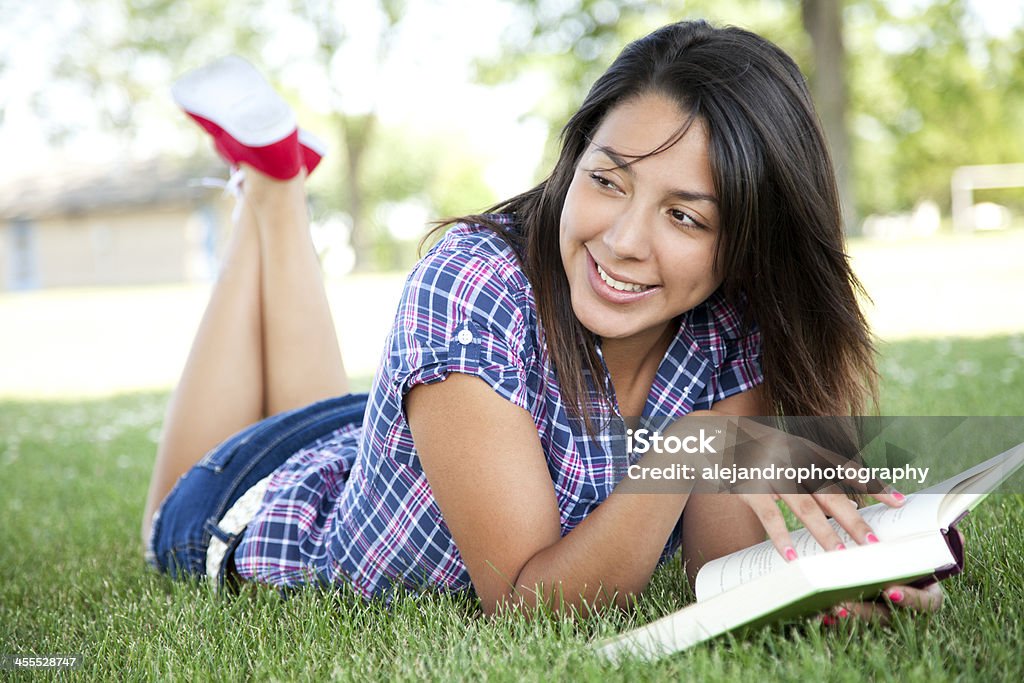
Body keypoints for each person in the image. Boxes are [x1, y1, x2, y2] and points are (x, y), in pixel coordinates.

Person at [142, 20, 943, 620]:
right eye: (608, 179)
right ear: (574, 158)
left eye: (686, 218)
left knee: (351, 433)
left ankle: (274, 177)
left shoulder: (736, 324)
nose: (623, 241)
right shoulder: (470, 283)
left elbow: (727, 570)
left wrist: (882, 562)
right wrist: (691, 447)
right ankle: (272, 192)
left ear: (746, 243)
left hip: (409, 444)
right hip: (248, 498)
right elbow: (532, 605)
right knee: (163, 515)